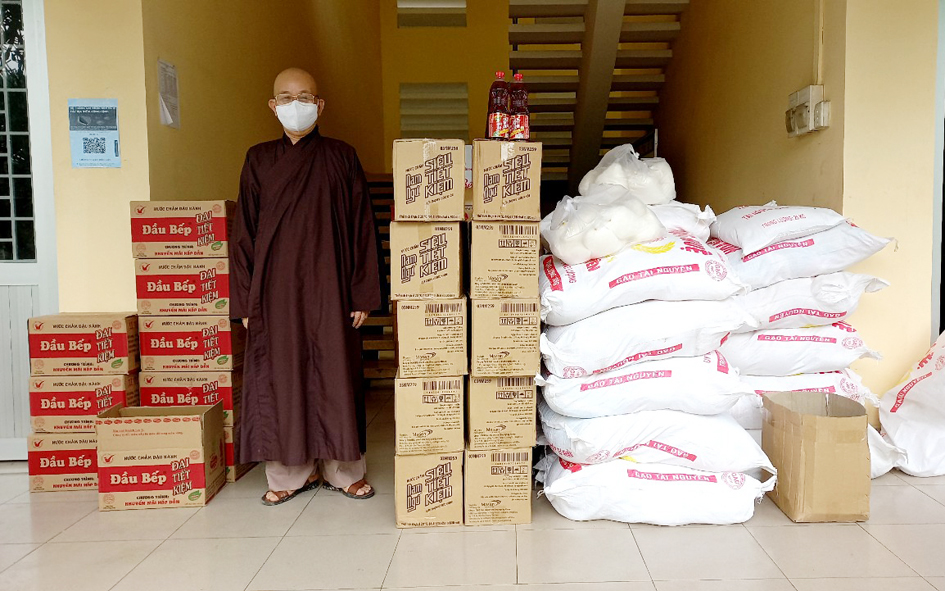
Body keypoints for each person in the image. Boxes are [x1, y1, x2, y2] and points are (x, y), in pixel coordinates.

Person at [230, 67, 381, 505]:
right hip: (274, 291)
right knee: (282, 377)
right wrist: (245, 300)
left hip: (332, 286)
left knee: (335, 376)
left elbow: (362, 226)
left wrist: (362, 292)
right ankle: (288, 474)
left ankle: (343, 471)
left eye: (305, 97)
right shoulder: (259, 159)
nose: (295, 104)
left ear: (320, 105)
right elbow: (244, 233)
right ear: (273, 106)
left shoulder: (341, 156)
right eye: (286, 97)